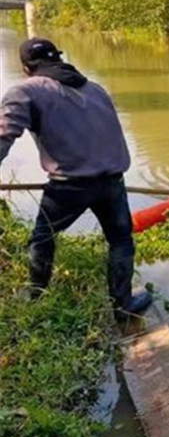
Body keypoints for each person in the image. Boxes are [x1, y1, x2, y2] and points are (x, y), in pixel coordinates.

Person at [0, 37, 152, 318]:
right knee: (120, 240)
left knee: (42, 238)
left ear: (26, 68)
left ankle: (36, 296)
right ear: (58, 58)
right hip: (112, 181)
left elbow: (4, 135)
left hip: (69, 186)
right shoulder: (95, 89)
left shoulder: (25, 91)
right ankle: (123, 305)